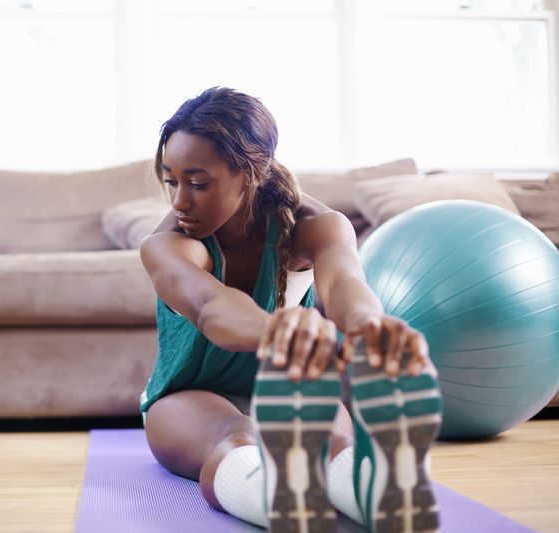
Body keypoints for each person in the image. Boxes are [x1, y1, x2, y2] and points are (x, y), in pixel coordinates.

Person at [139, 87, 443, 532]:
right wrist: (282, 332)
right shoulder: (167, 245)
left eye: (199, 183)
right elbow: (211, 307)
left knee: (336, 442)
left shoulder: (315, 226)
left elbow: (343, 284)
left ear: (251, 173)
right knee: (238, 436)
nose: (180, 201)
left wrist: (370, 328)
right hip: (188, 396)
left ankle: (386, 501)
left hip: (286, 385)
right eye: (172, 180)